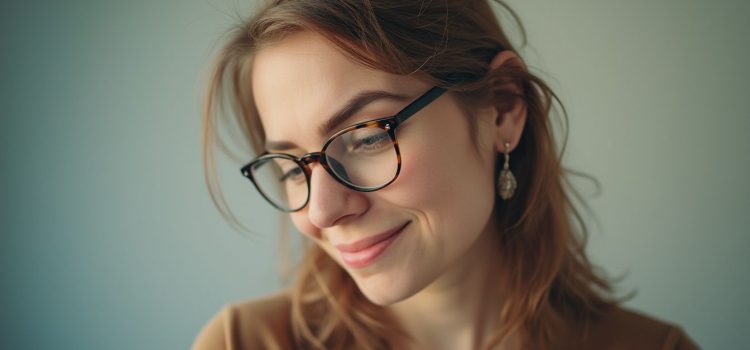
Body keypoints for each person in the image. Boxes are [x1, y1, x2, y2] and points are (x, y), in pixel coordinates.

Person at [194, 1, 700, 349]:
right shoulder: (242, 341)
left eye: (368, 136)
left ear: (502, 106)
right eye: (291, 166)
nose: (322, 212)